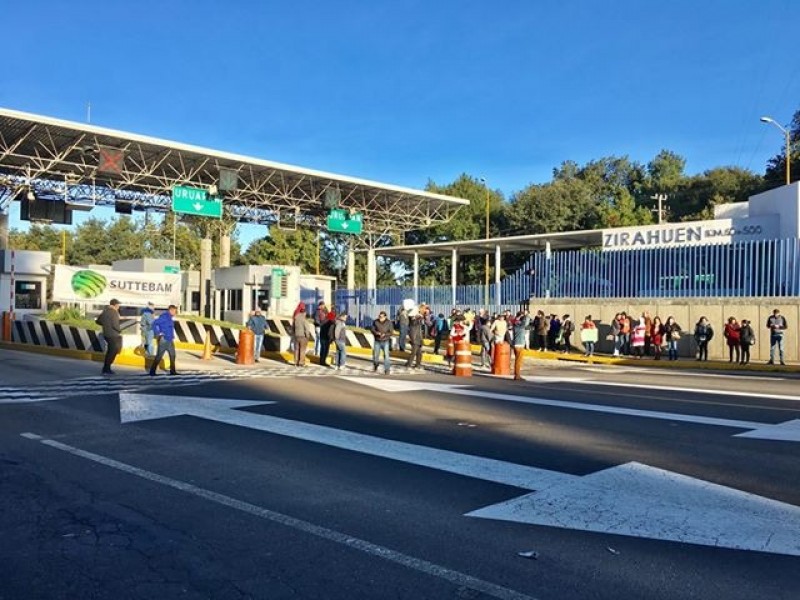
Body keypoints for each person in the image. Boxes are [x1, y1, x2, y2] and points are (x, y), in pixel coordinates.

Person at [149, 305, 178, 376]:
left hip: (170, 340)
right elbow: (154, 323)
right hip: (164, 340)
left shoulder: (170, 318)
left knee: (173, 355)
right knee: (159, 356)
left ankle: (173, 371)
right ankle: (152, 372)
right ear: (171, 310)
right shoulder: (164, 317)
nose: (175, 313)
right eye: (175, 311)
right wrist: (158, 333)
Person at [96, 299, 122, 375]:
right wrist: (119, 330)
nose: (118, 307)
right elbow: (115, 325)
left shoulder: (105, 311)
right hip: (113, 334)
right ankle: (106, 369)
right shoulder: (114, 312)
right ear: (115, 305)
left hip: (106, 334)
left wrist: (105, 325)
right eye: (118, 305)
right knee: (113, 352)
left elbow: (98, 321)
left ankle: (106, 368)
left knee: (110, 351)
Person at [293, 302, 312, 367]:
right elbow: (307, 329)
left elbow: (293, 327)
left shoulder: (296, 318)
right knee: (302, 350)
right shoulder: (304, 319)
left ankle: (296, 362)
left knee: (296, 349)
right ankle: (301, 362)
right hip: (303, 336)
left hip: (296, 335)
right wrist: (307, 336)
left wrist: (294, 333)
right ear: (304, 313)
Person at [511, 312, 527, 380]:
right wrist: (523, 316)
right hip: (520, 344)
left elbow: (514, 321)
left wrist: (518, 316)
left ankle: (517, 374)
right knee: (518, 361)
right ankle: (517, 375)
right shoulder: (521, 326)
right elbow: (525, 321)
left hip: (515, 343)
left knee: (517, 360)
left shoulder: (514, 325)